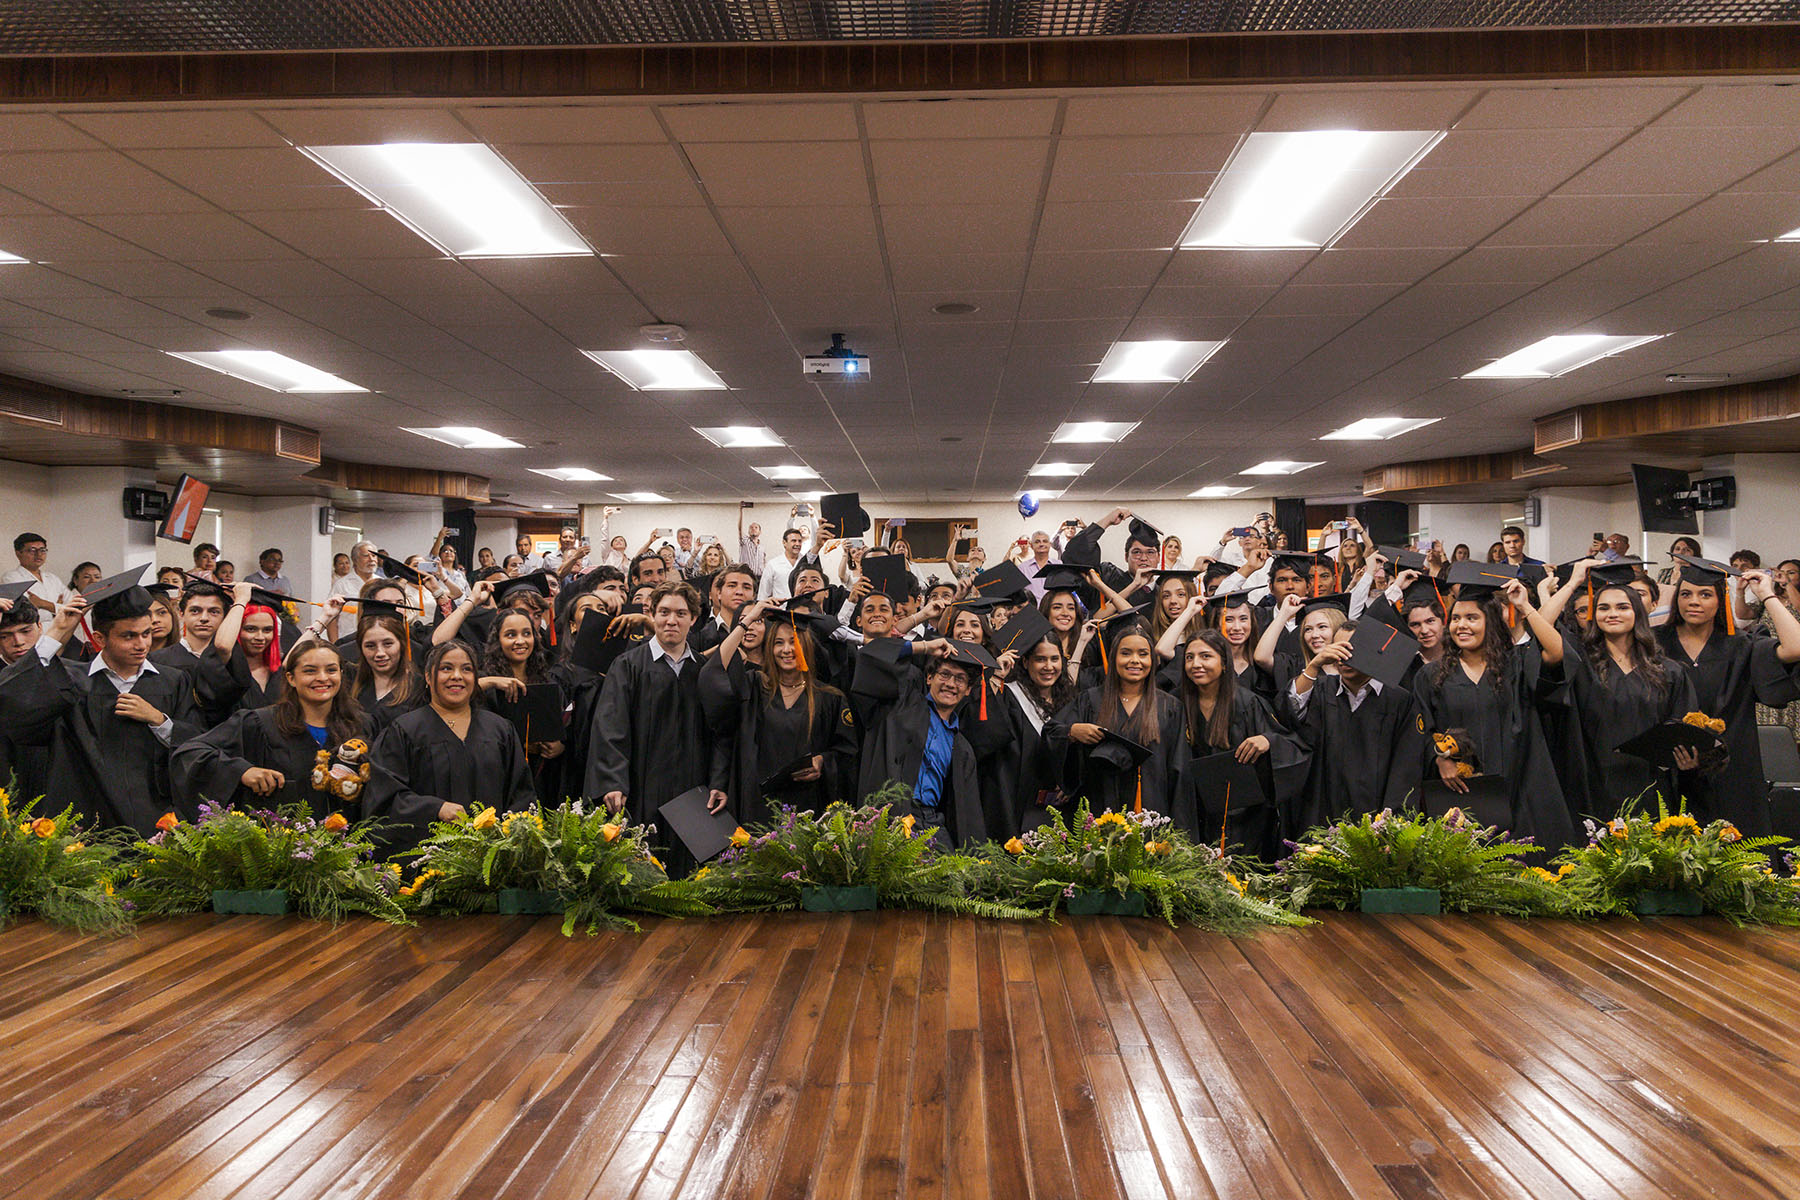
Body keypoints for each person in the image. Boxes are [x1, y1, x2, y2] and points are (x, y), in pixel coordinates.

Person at [0, 587, 201, 835]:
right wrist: (56, 632)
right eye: (128, 636)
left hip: (154, 818)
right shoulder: (70, 680)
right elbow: (15, 702)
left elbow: (197, 744)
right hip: (87, 821)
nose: (142, 644)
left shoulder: (174, 681)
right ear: (99, 639)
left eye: (146, 633)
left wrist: (159, 720)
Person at [1416, 581, 1575, 849]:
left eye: (1471, 618)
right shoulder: (1432, 675)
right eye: (1455, 618)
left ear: (1491, 622)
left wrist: (1524, 606)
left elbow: (1557, 652)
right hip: (1462, 786)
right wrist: (1439, 759)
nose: (1461, 625)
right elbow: (1420, 727)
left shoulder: (1517, 664)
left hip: (1520, 779)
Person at [1534, 559, 1697, 815]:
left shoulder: (1668, 671)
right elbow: (1540, 626)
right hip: (1590, 785)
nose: (1612, 614)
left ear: (1638, 614)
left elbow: (1682, 731)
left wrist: (1688, 756)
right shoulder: (1578, 663)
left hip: (1649, 787)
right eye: (1603, 608)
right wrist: (1575, 581)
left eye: (1623, 607)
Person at [585, 581, 721, 873]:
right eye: (664, 612)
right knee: (643, 871)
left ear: (693, 619)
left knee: (691, 877)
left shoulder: (702, 670)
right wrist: (613, 780)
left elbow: (719, 733)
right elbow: (610, 727)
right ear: (652, 614)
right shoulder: (627, 666)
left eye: (681, 614)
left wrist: (717, 781)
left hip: (692, 783)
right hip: (641, 783)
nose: (672, 620)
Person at [1655, 563, 1800, 835]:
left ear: (1720, 599)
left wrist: (1767, 595)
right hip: (1669, 769)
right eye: (1686, 594)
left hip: (1732, 770)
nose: (1694, 602)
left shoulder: (1742, 645)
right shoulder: (1654, 644)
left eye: (1705, 594)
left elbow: (1795, 648)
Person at [365, 640, 537, 850]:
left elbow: (522, 794)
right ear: (428, 677)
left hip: (493, 859)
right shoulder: (405, 731)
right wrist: (435, 808)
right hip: (427, 862)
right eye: (446, 668)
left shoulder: (499, 730)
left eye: (466, 669)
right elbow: (385, 798)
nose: (457, 676)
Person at [173, 641, 378, 816]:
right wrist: (242, 771)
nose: (323, 678)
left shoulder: (363, 725)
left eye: (331, 670)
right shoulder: (259, 723)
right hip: (275, 851)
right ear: (290, 678)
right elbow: (190, 753)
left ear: (341, 675)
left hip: (347, 850)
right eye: (310, 671)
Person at [702, 601, 860, 825]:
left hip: (809, 808)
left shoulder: (830, 699)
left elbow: (847, 753)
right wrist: (749, 620)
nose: (786, 650)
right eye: (778, 643)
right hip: (756, 805)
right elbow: (715, 672)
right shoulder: (753, 686)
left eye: (793, 642)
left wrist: (822, 761)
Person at [1282, 618, 1429, 832]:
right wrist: (1314, 665)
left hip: (1377, 821)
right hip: (1325, 817)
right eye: (1339, 649)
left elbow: (1405, 769)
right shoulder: (1322, 690)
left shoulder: (1399, 701)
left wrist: (1391, 824)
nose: (1344, 657)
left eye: (1352, 650)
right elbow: (1292, 713)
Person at [1174, 629, 1308, 855]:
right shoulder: (1176, 703)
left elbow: (1293, 745)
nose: (1196, 664)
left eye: (1206, 656)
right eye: (1189, 657)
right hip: (1192, 812)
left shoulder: (1247, 703)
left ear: (1225, 663)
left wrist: (1267, 740)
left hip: (1244, 819)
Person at [854, 643, 991, 847]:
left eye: (960, 679)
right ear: (929, 678)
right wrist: (924, 647)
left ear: (968, 690)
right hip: (891, 816)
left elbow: (968, 812)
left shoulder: (962, 748)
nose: (951, 684)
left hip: (932, 822)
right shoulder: (900, 707)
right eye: (944, 674)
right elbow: (870, 656)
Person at [1059, 623, 1185, 816]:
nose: (1135, 660)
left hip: (1152, 813)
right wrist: (1072, 732)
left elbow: (1178, 769)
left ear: (1152, 660)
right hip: (1100, 811)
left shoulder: (1169, 707)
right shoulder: (1091, 700)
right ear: (1114, 658)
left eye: (1143, 654)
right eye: (1126, 653)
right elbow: (1052, 732)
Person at [152, 580, 243, 728]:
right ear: (181, 614)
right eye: (195, 610)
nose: (204, 618)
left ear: (225, 616)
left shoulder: (234, 660)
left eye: (214, 611)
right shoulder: (158, 661)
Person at [210, 581, 285, 711]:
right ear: (237, 630)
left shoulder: (277, 671)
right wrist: (241, 599)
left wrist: (326, 616)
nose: (260, 637)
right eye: (251, 629)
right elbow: (223, 646)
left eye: (267, 630)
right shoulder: (227, 668)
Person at [327, 541, 383, 638]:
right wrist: (335, 645)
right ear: (355, 560)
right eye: (366, 556)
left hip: (377, 639)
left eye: (374, 556)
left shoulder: (382, 583)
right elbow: (332, 619)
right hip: (348, 640)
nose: (371, 559)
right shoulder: (342, 585)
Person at [3, 532, 62, 615]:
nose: (39, 554)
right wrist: (57, 608)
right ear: (18, 553)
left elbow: (70, 608)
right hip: (33, 627)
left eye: (42, 550)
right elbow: (25, 610)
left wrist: (42, 603)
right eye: (32, 550)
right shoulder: (11, 578)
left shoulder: (53, 578)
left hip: (59, 626)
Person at [756, 528, 807, 602]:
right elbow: (763, 594)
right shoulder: (773, 564)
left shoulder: (806, 563)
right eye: (793, 541)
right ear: (784, 542)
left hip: (802, 610)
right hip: (780, 611)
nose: (797, 544)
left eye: (800, 541)